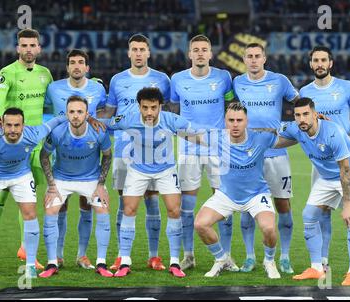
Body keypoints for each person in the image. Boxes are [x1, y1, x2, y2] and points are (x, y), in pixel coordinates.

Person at [102, 87, 203, 278]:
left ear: (160, 107)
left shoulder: (171, 120)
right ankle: (125, 261)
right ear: (139, 106)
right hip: (137, 170)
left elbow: (196, 134)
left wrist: (215, 143)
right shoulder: (129, 118)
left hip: (165, 171)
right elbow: (107, 124)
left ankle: (174, 261)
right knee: (129, 210)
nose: (149, 112)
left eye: (153, 108)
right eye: (145, 107)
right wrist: (90, 121)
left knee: (174, 210)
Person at [276, 97, 350, 286]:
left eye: (305, 114)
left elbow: (345, 169)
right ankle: (316, 268)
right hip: (327, 177)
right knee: (309, 215)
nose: (301, 119)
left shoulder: (332, 132)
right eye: (297, 115)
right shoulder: (296, 129)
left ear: (315, 114)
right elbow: (273, 137)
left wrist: (348, 205)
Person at [97, 34, 171, 272]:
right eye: (134, 49)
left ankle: (154, 256)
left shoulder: (162, 79)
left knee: (151, 202)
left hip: (153, 151)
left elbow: (168, 111)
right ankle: (121, 255)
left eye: (142, 49)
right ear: (128, 53)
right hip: (123, 148)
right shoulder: (118, 80)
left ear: (149, 52)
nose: (138, 53)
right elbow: (109, 112)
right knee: (123, 203)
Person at [0, 108, 66, 279]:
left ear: (23, 126)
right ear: (2, 125)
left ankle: (30, 266)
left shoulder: (33, 134)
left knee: (30, 213)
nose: (13, 129)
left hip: (20, 175)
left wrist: (68, 115)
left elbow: (53, 123)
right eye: (9, 125)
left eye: (16, 125)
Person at [0, 28, 53, 273]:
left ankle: (26, 250)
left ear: (39, 48)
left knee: (29, 201)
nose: (28, 49)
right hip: (10, 142)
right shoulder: (7, 73)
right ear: (17, 48)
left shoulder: (46, 74)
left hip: (35, 145)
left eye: (32, 45)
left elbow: (55, 103)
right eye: (23, 45)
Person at [167, 34, 236, 271]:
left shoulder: (224, 77)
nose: (199, 53)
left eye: (204, 49)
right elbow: (174, 110)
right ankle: (189, 255)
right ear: (189, 54)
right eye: (195, 49)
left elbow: (229, 107)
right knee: (187, 206)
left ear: (210, 53)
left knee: (225, 203)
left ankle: (226, 256)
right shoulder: (177, 79)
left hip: (219, 149)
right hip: (188, 150)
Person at [299, 46, 350, 278]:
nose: (319, 64)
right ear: (310, 64)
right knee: (320, 212)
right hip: (320, 163)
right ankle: (323, 263)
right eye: (315, 60)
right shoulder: (305, 92)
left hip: (344, 160)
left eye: (323, 60)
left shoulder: (346, 87)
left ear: (331, 63)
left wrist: (348, 141)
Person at [232, 42, 299, 274]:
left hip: (276, 153)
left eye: (257, 56)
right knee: (247, 207)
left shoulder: (280, 80)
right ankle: (250, 257)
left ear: (264, 59)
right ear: (244, 59)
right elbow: (229, 110)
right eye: (248, 56)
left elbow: (298, 103)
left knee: (283, 205)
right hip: (248, 155)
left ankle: (285, 257)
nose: (253, 60)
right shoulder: (237, 83)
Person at [194, 102, 281, 279]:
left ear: (246, 121)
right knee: (200, 224)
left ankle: (269, 261)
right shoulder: (216, 138)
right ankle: (222, 258)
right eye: (231, 120)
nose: (235, 124)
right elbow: (186, 133)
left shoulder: (260, 138)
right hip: (227, 194)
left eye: (239, 120)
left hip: (256, 194)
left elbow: (292, 136)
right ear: (225, 121)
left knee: (269, 228)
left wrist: (313, 127)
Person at [44, 49, 108, 269]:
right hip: (62, 151)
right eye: (73, 63)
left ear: (87, 68)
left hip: (88, 156)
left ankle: (82, 255)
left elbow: (104, 112)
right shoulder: (53, 88)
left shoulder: (98, 88)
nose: (77, 66)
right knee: (59, 207)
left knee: (86, 205)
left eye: (81, 62)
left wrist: (97, 123)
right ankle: (58, 256)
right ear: (67, 67)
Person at [38, 96, 113, 278]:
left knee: (103, 210)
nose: (76, 116)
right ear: (66, 113)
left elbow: (108, 156)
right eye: (72, 112)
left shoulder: (99, 132)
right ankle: (52, 263)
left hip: (90, 179)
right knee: (50, 210)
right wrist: (51, 186)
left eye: (80, 112)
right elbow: (44, 156)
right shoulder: (57, 132)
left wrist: (101, 184)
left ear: (87, 114)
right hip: (62, 179)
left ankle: (101, 262)